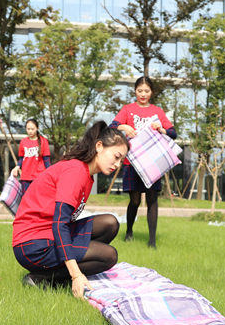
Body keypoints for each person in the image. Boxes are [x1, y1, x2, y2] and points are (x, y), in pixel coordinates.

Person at [12, 121, 129, 299]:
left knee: (110, 223)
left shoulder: (87, 175)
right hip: (33, 245)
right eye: (116, 156)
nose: (118, 164)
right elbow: (60, 224)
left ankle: (60, 272)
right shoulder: (76, 172)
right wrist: (76, 274)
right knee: (108, 256)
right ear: (99, 146)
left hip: (48, 234)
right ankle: (42, 278)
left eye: (121, 160)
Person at [109, 76, 178, 248]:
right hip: (132, 162)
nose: (143, 94)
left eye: (146, 91)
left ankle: (152, 241)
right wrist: (124, 127)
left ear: (151, 92)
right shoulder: (128, 109)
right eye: (140, 91)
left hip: (153, 163)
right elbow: (112, 126)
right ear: (135, 91)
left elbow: (173, 133)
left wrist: (161, 128)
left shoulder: (157, 111)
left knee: (152, 199)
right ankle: (129, 231)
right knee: (134, 200)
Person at [11, 118, 51, 195]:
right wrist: (17, 167)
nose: (30, 131)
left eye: (32, 129)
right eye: (28, 129)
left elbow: (47, 161)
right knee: (26, 199)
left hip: (39, 176)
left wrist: (49, 174)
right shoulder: (23, 141)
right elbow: (21, 158)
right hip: (25, 176)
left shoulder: (43, 141)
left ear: (37, 128)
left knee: (37, 199)